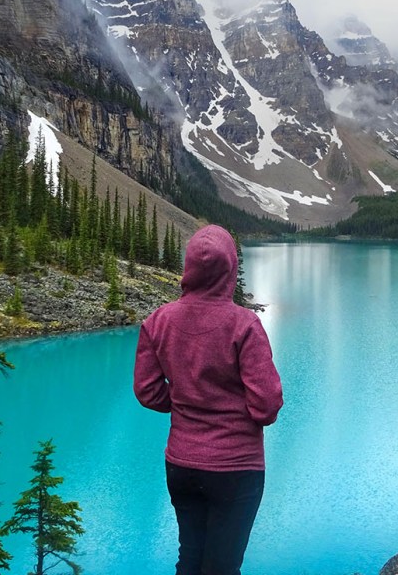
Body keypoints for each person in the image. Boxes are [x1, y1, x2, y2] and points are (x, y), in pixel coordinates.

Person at [134, 224, 283, 575]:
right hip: (236, 468)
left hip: (181, 463)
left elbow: (147, 390)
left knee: (190, 557)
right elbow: (267, 405)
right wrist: (229, 407)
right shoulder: (244, 325)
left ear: (190, 269)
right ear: (230, 270)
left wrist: (187, 401)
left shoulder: (158, 321)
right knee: (223, 566)